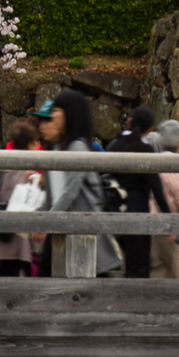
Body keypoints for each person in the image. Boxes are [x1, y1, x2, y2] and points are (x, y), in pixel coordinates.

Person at [31, 91, 121, 276]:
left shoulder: (77, 147)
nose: (53, 115)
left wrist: (46, 221)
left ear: (70, 114)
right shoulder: (55, 149)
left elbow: (70, 191)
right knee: (49, 275)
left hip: (80, 228)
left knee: (86, 278)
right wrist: (40, 217)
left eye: (57, 110)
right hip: (61, 226)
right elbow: (52, 195)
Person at [106, 105, 170, 279]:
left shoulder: (113, 145)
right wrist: (169, 218)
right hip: (138, 209)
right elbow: (156, 188)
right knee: (138, 268)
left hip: (114, 207)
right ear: (150, 129)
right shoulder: (145, 150)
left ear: (130, 121)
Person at [0, 118, 40, 277]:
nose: (38, 146)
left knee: (7, 271)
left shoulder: (9, 167)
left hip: (6, 231)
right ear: (30, 144)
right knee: (24, 270)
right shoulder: (27, 172)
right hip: (19, 233)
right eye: (35, 142)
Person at [149, 119, 179, 278]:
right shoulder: (173, 165)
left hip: (152, 223)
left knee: (158, 273)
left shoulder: (154, 162)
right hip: (171, 226)